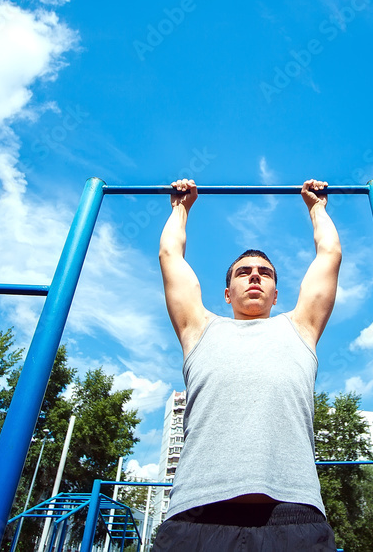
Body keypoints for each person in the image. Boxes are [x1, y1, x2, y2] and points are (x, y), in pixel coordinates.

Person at [151, 178, 342, 552]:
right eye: (243, 272)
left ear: (275, 294)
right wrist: (180, 209)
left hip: (293, 518)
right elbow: (169, 256)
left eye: (265, 273)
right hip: (197, 518)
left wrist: (317, 207)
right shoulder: (198, 329)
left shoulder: (300, 328)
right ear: (226, 294)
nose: (254, 275)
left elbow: (329, 254)